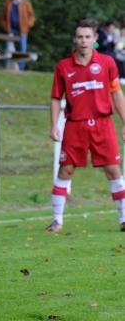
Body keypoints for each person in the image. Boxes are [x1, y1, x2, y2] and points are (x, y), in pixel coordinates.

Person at [46, 18, 125, 233]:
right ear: (75, 39)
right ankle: (57, 221)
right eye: (80, 37)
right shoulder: (63, 66)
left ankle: (123, 219)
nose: (83, 41)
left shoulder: (108, 63)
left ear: (95, 39)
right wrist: (54, 125)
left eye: (88, 37)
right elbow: (55, 98)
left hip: (102, 123)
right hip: (75, 125)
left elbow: (116, 92)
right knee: (66, 170)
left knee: (113, 169)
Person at [0, 0, 35, 70]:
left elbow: (32, 16)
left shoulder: (26, 3)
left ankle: (21, 68)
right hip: (10, 30)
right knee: (7, 48)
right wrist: (5, 26)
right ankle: (6, 67)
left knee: (22, 49)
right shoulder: (8, 3)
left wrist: (28, 24)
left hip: (22, 31)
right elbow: (1, 17)